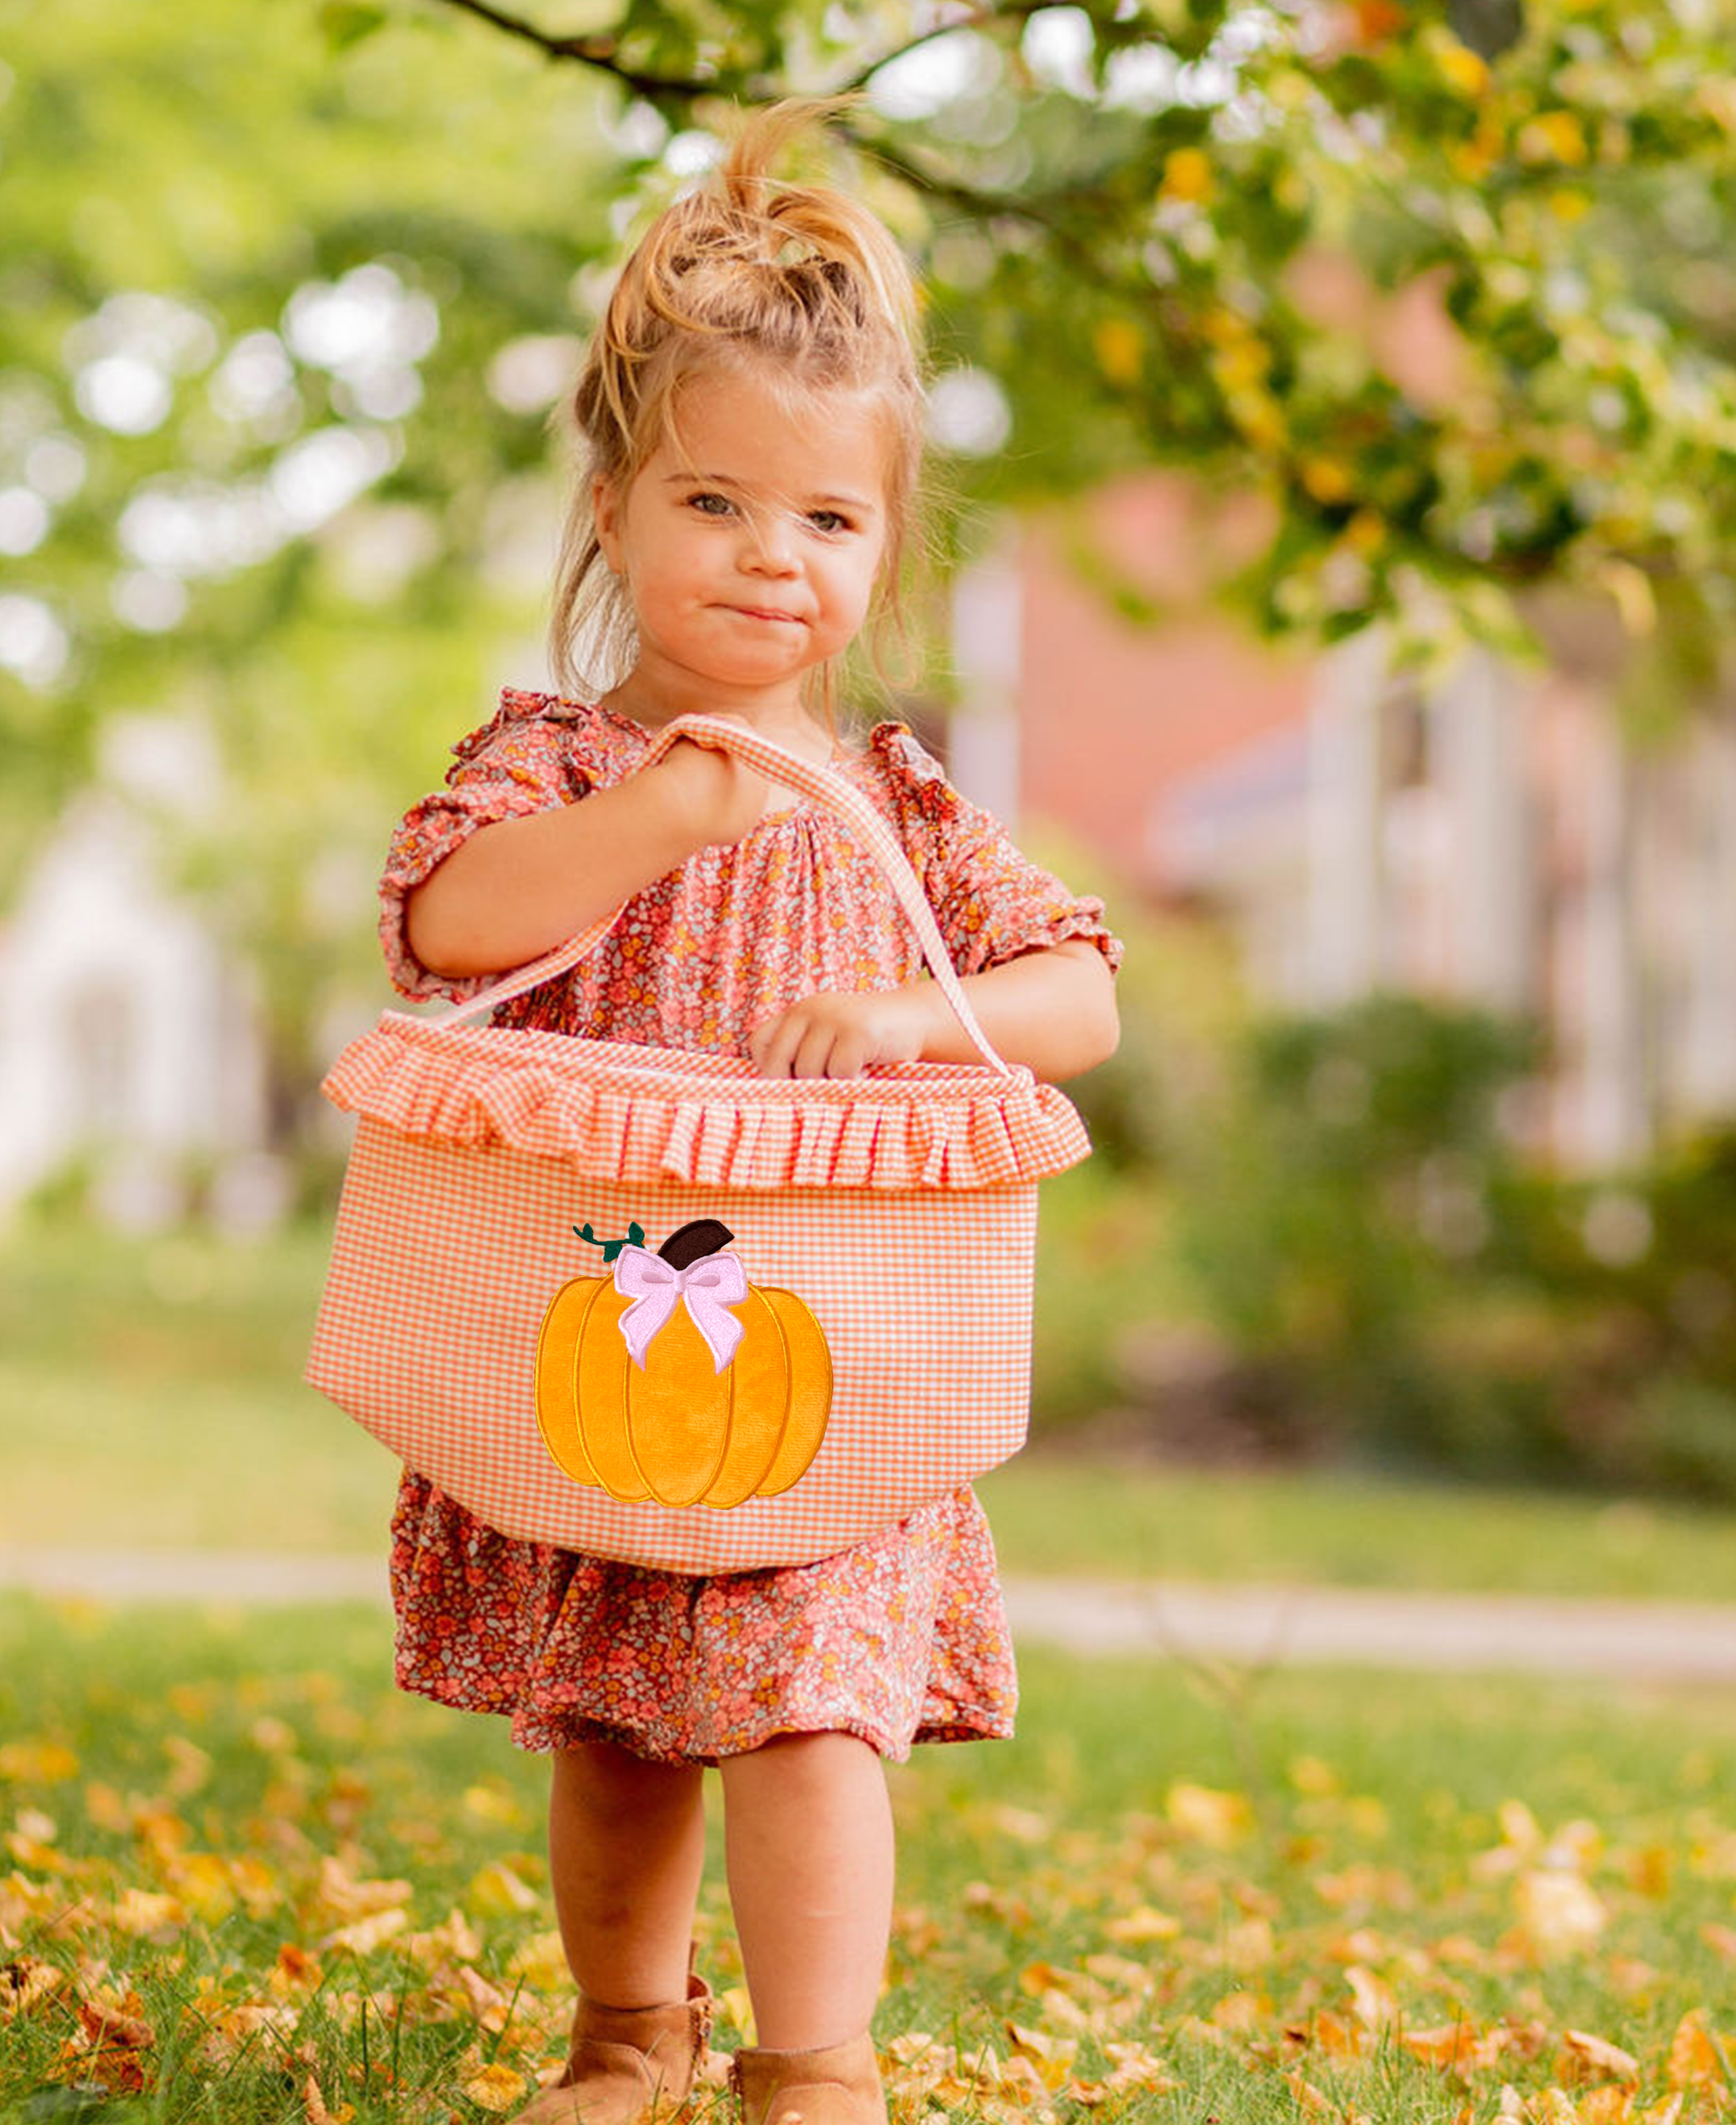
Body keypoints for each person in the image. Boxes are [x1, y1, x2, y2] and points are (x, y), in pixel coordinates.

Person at [375, 99, 1122, 2125]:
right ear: (614, 511)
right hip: (601, 1339)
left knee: (810, 1722)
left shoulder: (895, 806)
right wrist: (661, 812)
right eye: (714, 503)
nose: (773, 557)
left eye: (829, 521)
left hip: (833, 1367)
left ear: (885, 547)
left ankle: (817, 2067)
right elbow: (445, 927)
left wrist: (914, 1012)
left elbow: (1080, 993)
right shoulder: (558, 765)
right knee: (617, 1729)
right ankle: (629, 2030)